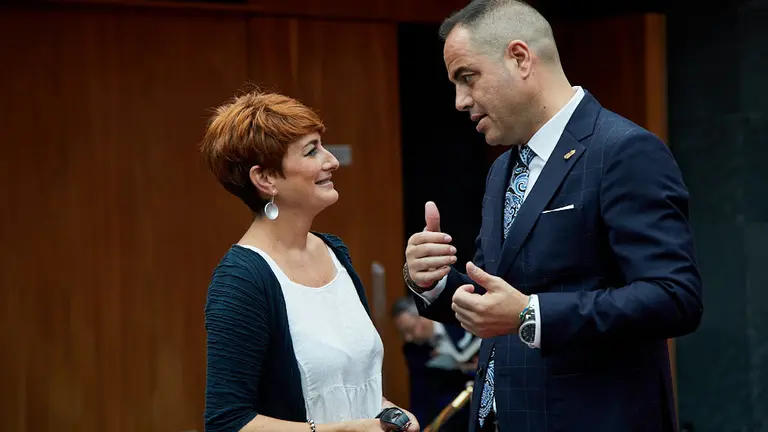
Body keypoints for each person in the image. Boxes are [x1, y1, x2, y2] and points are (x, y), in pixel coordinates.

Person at [402, 1, 703, 431]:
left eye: (467, 77)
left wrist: (531, 315)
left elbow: (675, 298)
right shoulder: (502, 168)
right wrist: (432, 281)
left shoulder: (623, 151)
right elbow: (498, 298)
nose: (460, 101)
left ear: (520, 58)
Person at [200, 90, 419, 432]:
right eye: (311, 151)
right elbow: (227, 422)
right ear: (265, 179)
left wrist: (389, 414)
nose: (331, 161)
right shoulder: (241, 280)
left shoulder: (335, 251)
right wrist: (349, 430)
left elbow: (347, 386)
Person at [392, 296, 478, 431]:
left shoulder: (457, 319)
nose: (408, 338)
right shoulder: (414, 350)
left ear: (423, 318)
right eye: (403, 333)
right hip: (450, 415)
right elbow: (419, 394)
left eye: (410, 329)